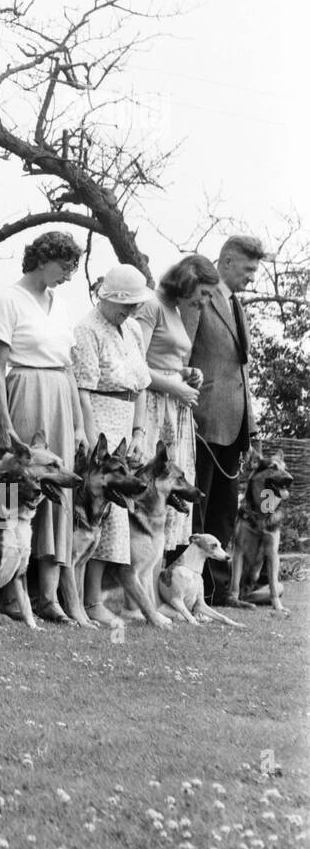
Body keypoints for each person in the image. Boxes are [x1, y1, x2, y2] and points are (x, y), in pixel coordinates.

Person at [0, 231, 84, 624]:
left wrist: (77, 424)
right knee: (20, 487)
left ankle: (49, 596)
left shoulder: (60, 304)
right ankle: (9, 594)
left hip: (60, 394)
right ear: (43, 259)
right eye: (64, 267)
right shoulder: (8, 299)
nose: (68, 275)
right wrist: (5, 420)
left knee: (58, 488)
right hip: (24, 390)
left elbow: (69, 367)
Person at [71, 264, 155, 627]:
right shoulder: (87, 329)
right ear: (107, 298)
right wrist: (91, 443)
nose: (131, 312)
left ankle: (97, 598)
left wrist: (139, 432)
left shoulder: (133, 329)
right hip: (100, 423)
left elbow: (140, 385)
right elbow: (83, 392)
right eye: (126, 305)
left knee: (120, 514)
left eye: (136, 306)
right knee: (100, 512)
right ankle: (88, 601)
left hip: (126, 423)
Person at [183, 234, 265, 599]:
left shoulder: (235, 303)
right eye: (248, 269)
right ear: (227, 262)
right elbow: (181, 356)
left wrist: (250, 421)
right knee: (196, 508)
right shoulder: (198, 295)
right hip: (202, 419)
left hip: (234, 423)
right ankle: (189, 588)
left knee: (223, 509)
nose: (251, 277)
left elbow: (238, 367)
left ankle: (217, 591)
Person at [134, 253, 218, 566]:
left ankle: (158, 577)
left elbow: (169, 362)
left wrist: (187, 374)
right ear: (188, 281)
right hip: (154, 407)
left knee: (173, 490)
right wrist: (174, 386)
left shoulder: (174, 309)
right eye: (204, 292)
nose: (206, 300)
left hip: (176, 409)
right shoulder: (151, 304)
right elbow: (137, 365)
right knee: (155, 486)